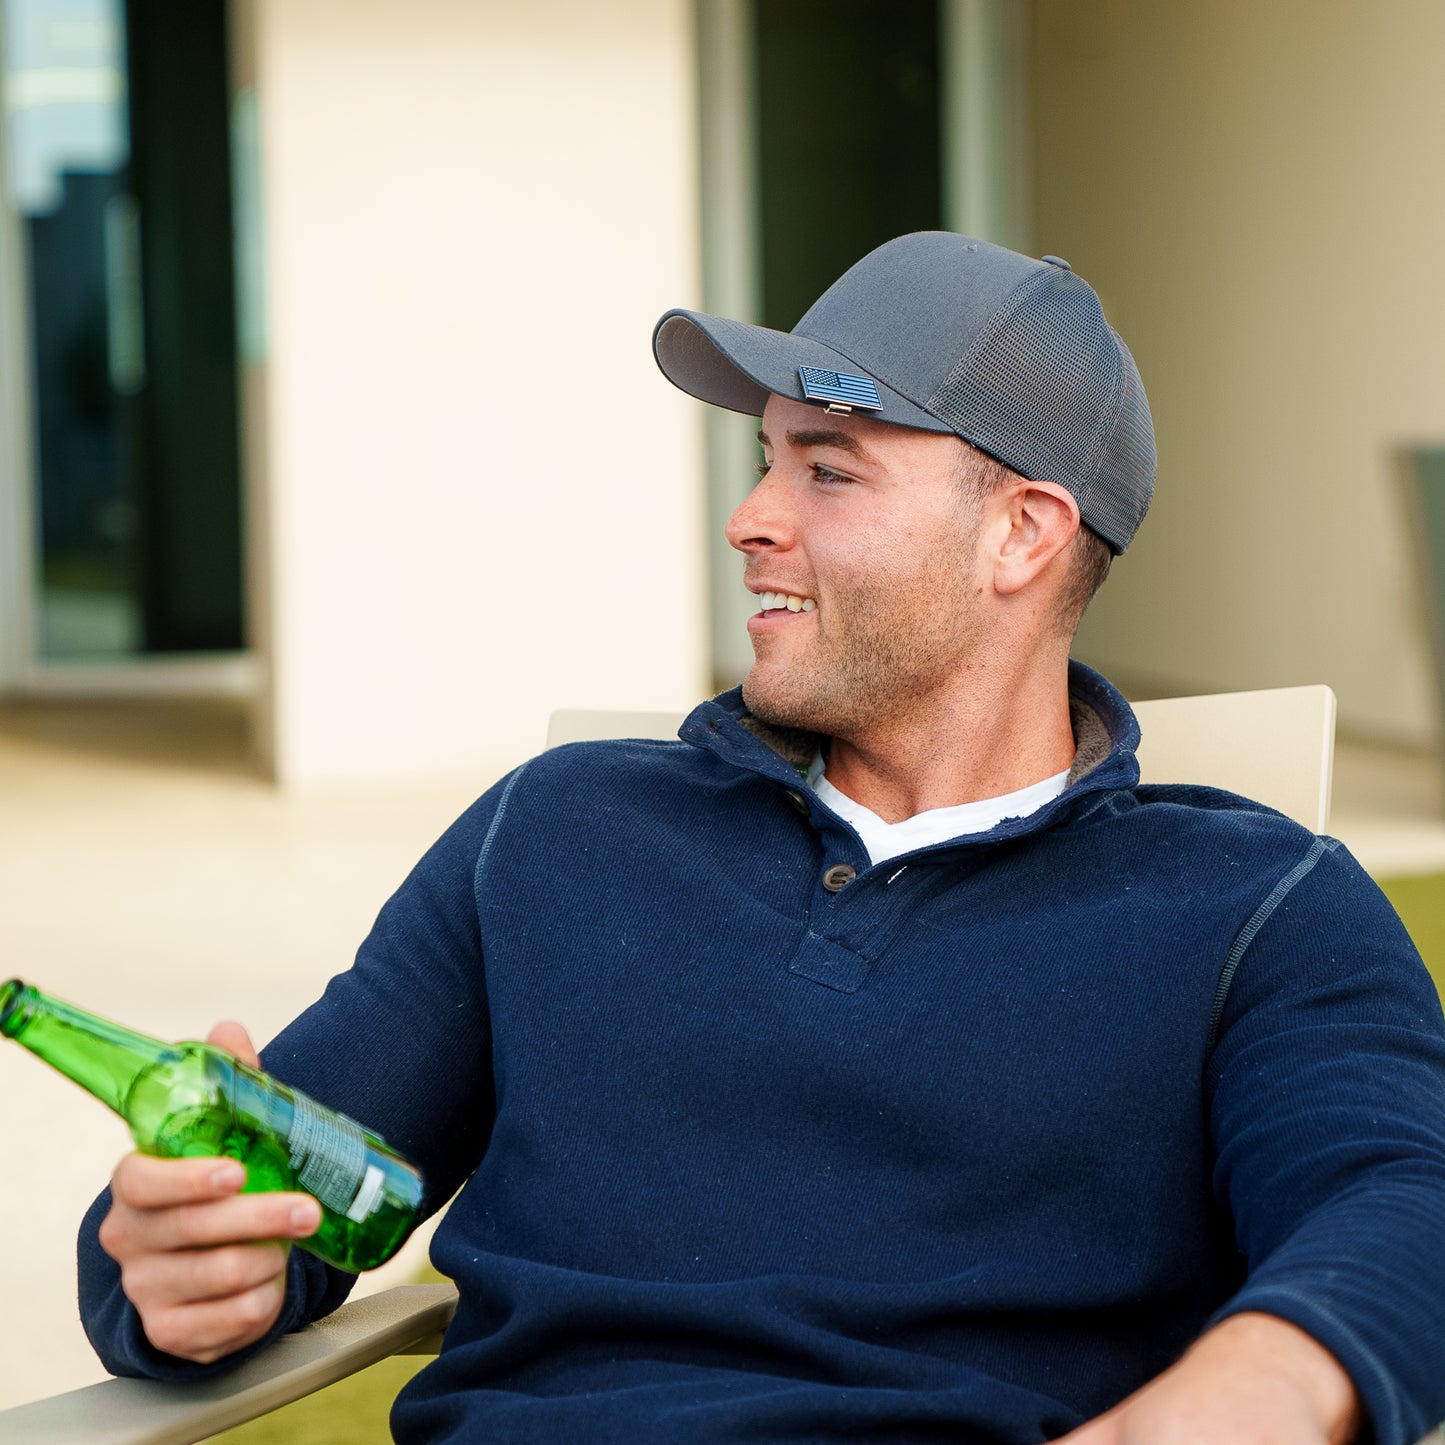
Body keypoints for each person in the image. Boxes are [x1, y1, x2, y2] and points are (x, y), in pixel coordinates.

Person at [79, 232, 1445, 1445]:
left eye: (829, 469)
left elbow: (1404, 1199)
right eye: (764, 462)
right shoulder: (558, 826)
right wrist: (172, 1263)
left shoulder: (1250, 905)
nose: (749, 520)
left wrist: (1239, 1399)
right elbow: (267, 1180)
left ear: (1021, 533)